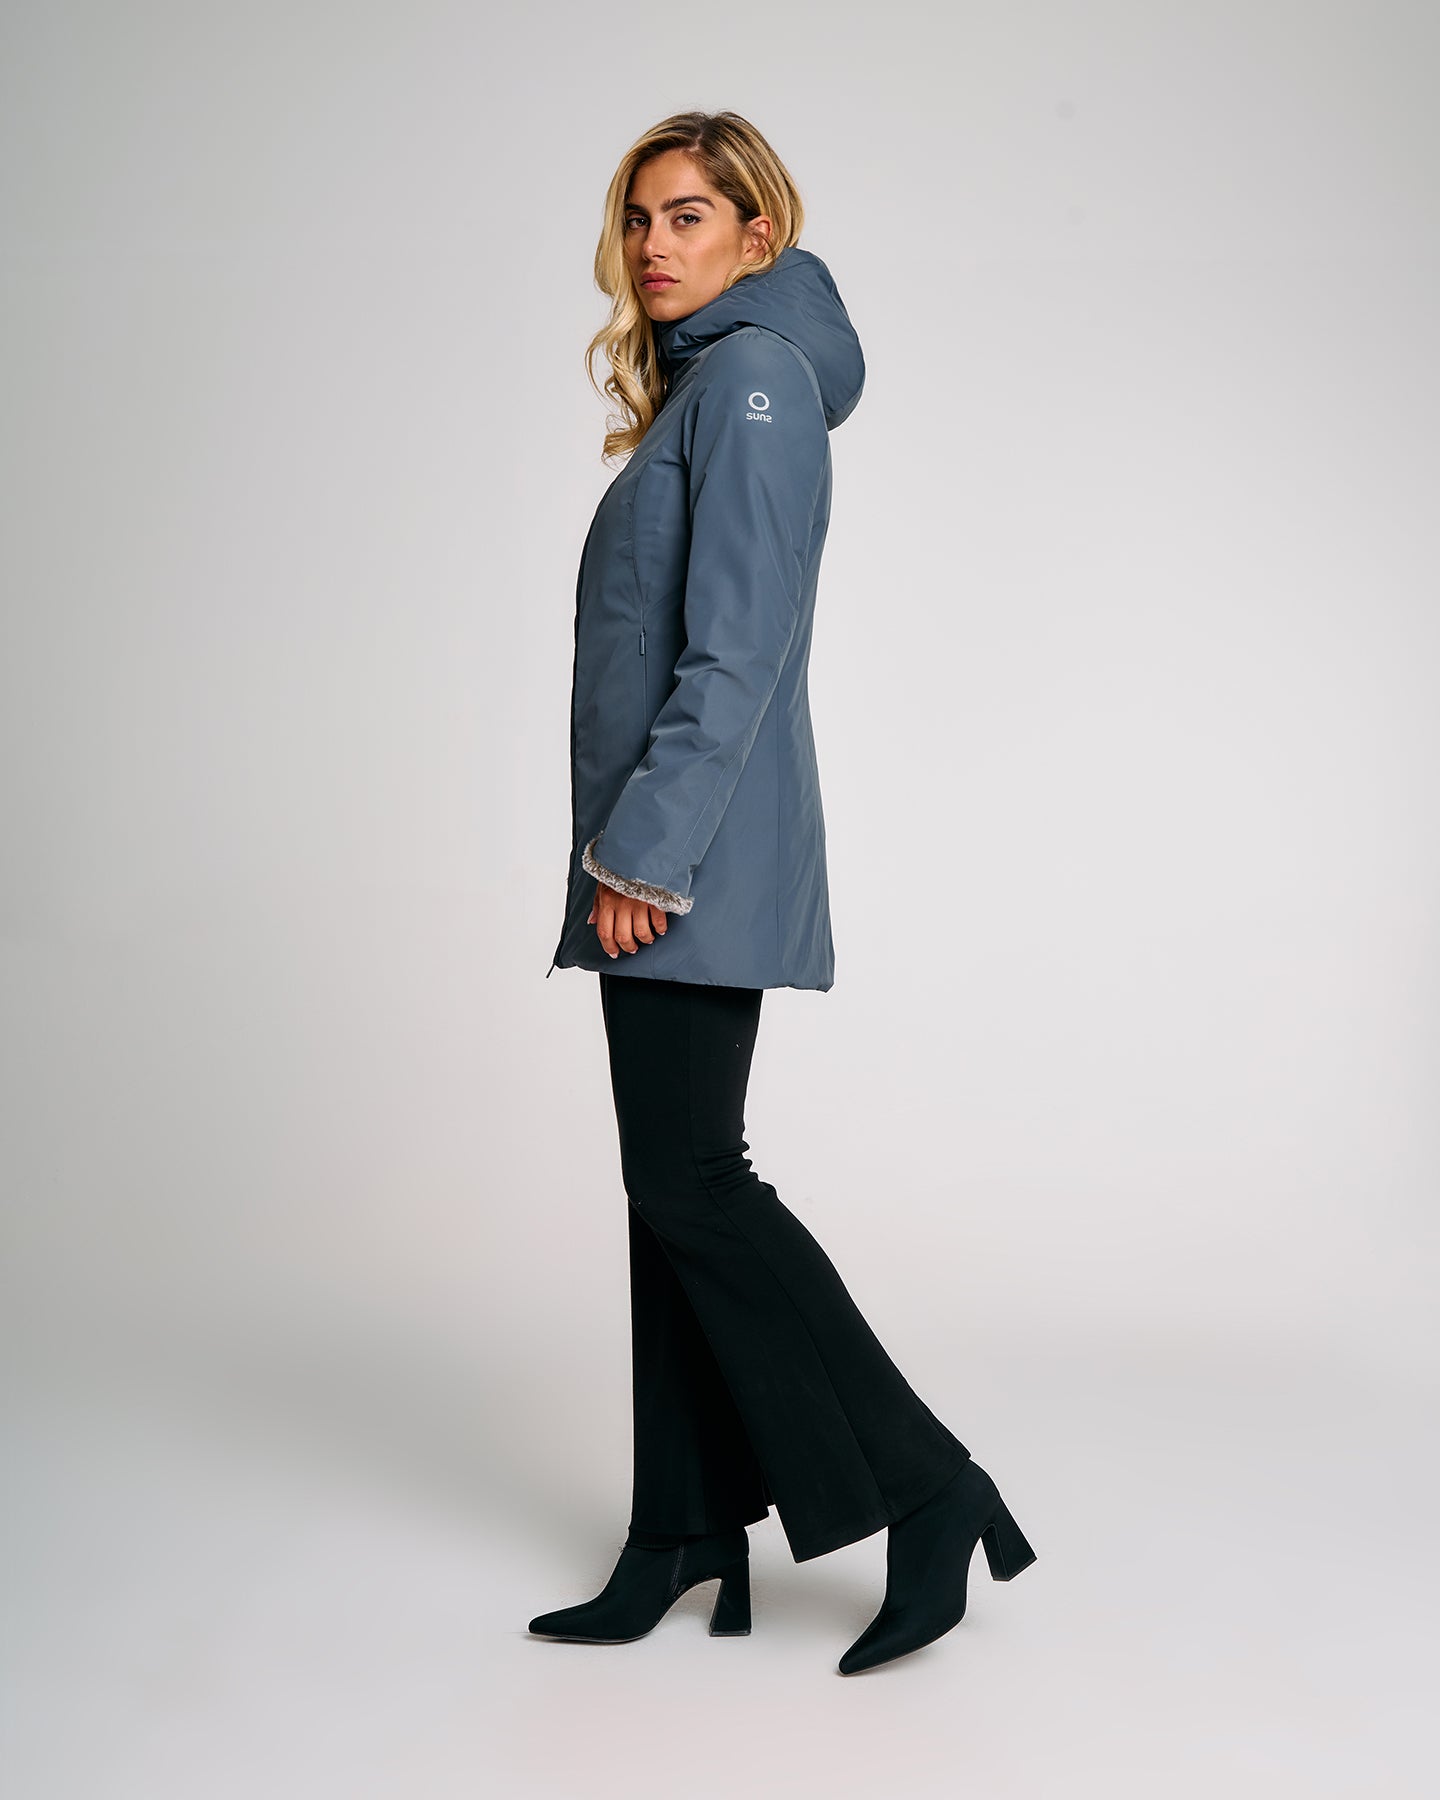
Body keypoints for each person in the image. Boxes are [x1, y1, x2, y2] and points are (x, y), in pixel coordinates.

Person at [532, 111, 1037, 1674]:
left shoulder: (751, 382)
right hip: (668, 850)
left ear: (759, 233)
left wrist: (643, 854)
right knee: (669, 1189)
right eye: (639, 219)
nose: (654, 245)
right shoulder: (713, 382)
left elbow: (738, 648)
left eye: (688, 215)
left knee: (696, 1183)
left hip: (683, 859)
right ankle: (681, 1530)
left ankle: (932, 1490)